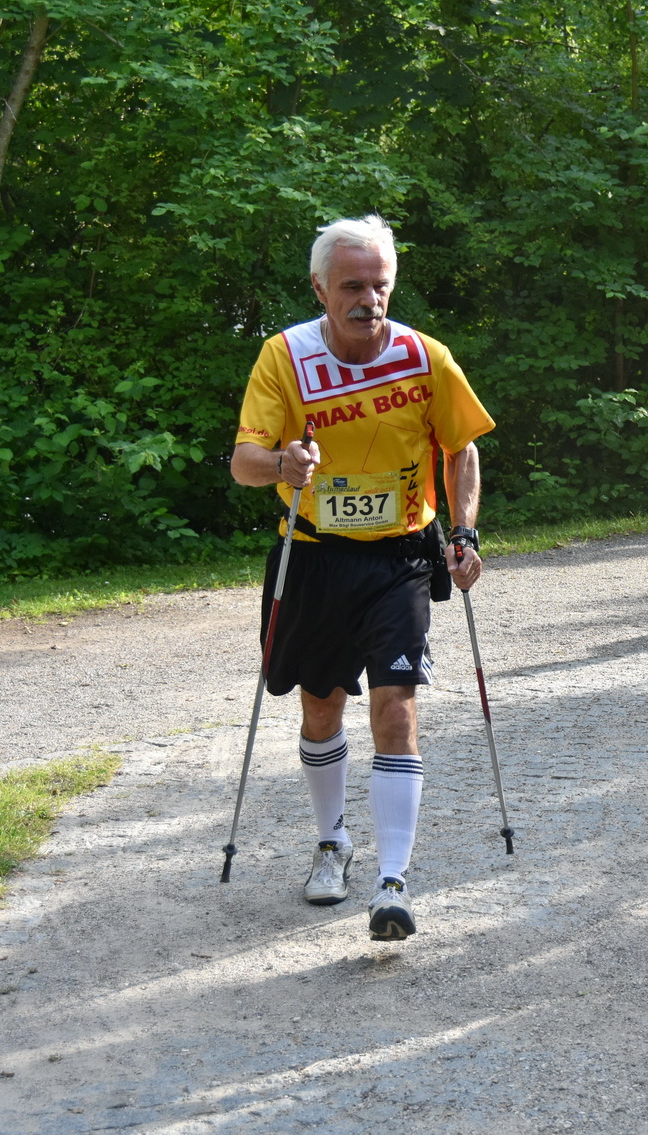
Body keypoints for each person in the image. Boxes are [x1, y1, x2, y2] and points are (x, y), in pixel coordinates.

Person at [231, 214, 495, 940]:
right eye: (352, 286)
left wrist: (464, 531)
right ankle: (332, 842)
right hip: (314, 553)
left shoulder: (423, 356)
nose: (368, 299)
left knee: (396, 708)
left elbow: (461, 448)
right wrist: (282, 462)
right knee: (321, 707)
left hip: (399, 556)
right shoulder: (285, 357)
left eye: (379, 285)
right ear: (320, 288)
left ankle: (393, 882)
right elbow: (244, 462)